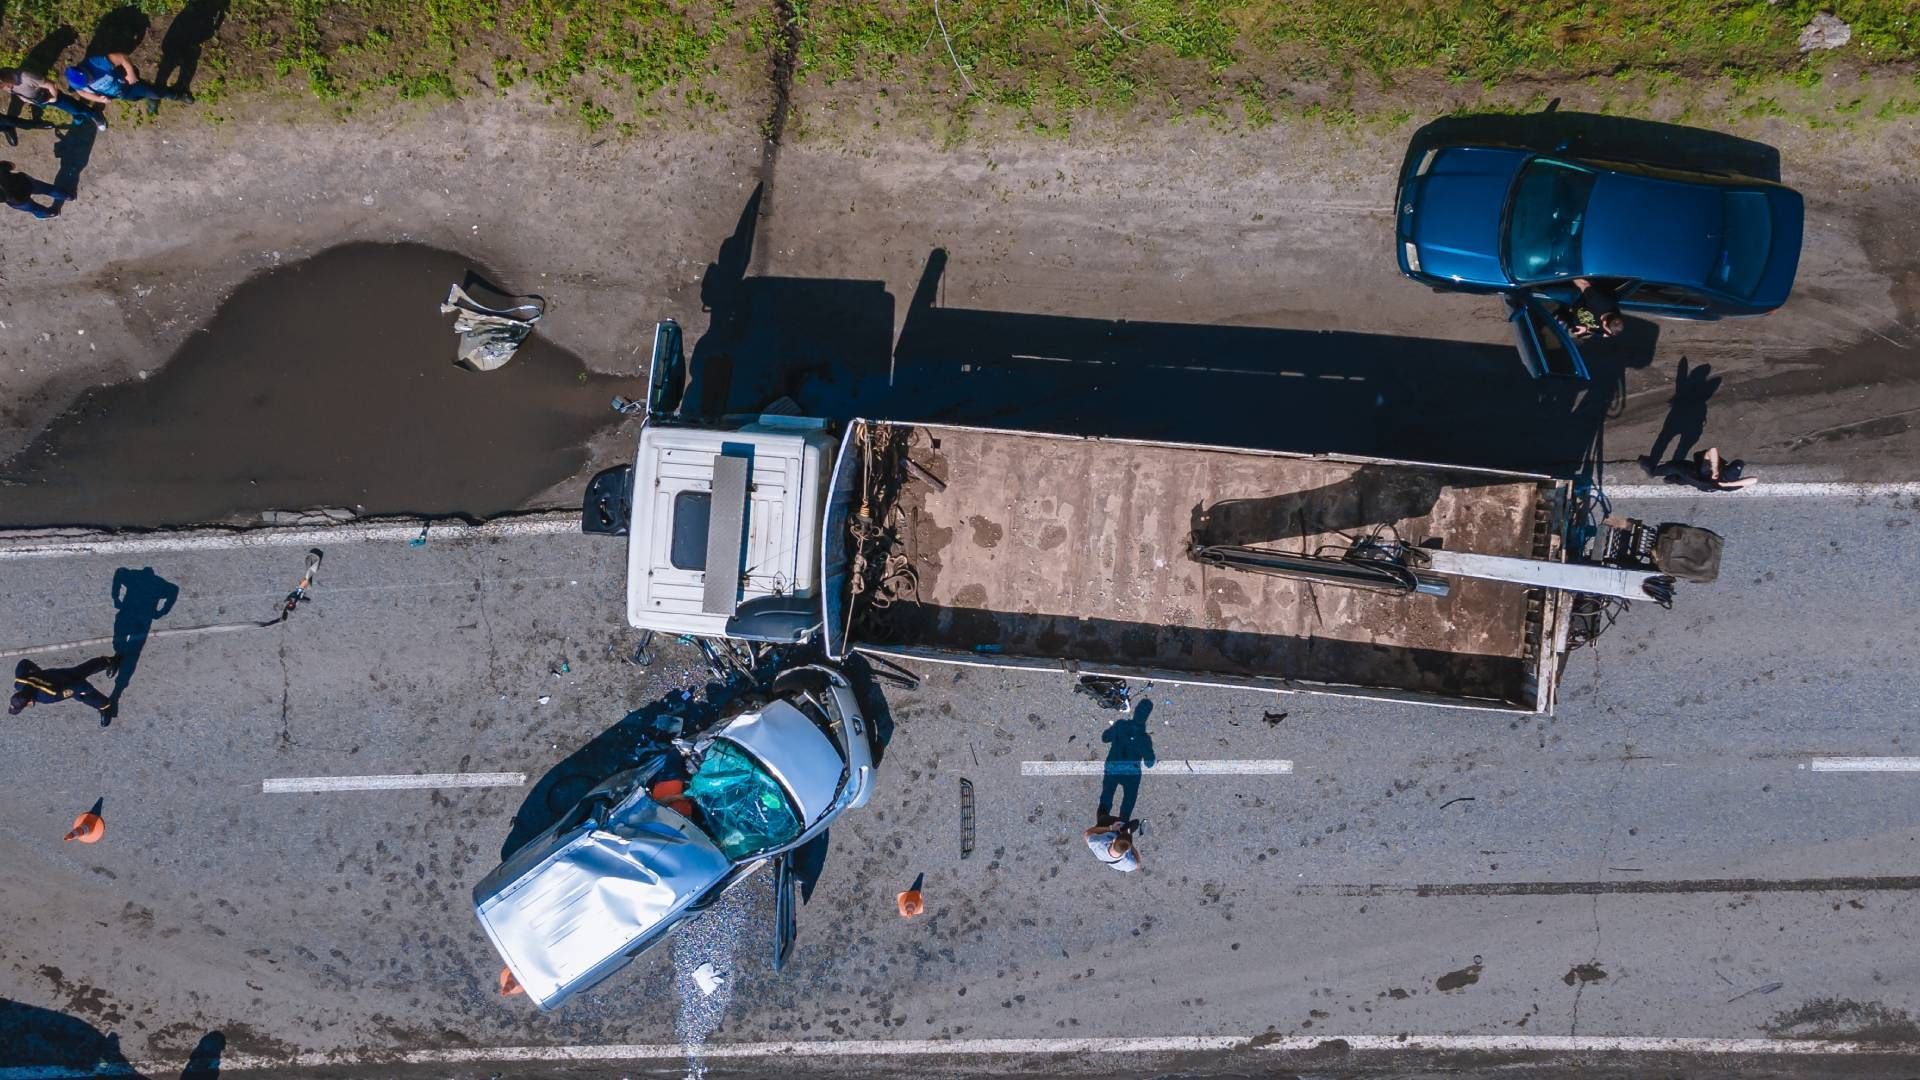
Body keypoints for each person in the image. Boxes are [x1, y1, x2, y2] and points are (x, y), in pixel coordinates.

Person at [63, 52, 190, 123]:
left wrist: (131, 74)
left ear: (83, 70)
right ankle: (149, 98)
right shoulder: (77, 84)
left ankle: (177, 95)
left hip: (127, 83)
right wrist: (99, 100)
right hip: (119, 94)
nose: (90, 81)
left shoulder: (95, 63)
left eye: (89, 78)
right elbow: (82, 93)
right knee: (135, 98)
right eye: (87, 82)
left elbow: (122, 58)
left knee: (154, 92)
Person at [11, 655, 121, 725]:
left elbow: (76, 687)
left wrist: (87, 690)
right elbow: (24, 663)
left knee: (84, 696)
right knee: (83, 669)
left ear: (28, 702)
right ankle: (108, 662)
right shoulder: (20, 682)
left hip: (66, 683)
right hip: (54, 674)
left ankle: (106, 706)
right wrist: (39, 673)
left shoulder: (48, 696)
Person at [0, 66, 99, 129]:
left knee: (73, 107)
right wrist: (27, 100)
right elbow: (17, 93)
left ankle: (93, 114)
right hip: (40, 100)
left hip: (49, 96)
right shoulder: (5, 84)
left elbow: (50, 84)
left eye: (4, 85)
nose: (5, 88)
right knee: (71, 109)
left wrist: (54, 97)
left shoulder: (26, 77)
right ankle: (78, 115)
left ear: (4, 77)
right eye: (2, 87)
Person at [1643, 446, 1757, 492]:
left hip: (1693, 474)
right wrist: (1728, 484)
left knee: (1675, 466)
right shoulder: (1729, 487)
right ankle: (1674, 480)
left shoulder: (1708, 470)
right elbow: (1754, 480)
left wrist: (1715, 469)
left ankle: (1653, 471)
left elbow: (1712, 450)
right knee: (1685, 479)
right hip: (1703, 487)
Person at [1557, 278, 1626, 340]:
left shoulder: (1611, 328)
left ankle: (1562, 314)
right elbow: (1584, 284)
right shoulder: (1599, 302)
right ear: (1604, 322)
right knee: (1548, 292)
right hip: (1575, 299)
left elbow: (1605, 334)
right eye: (1607, 331)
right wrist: (1571, 274)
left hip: (1573, 314)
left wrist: (1586, 329)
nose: (1606, 333)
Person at [0, 160, 66, 218]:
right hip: (25, 183)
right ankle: (68, 196)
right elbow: (12, 165)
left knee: (35, 208)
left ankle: (52, 213)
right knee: (48, 189)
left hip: (17, 200)